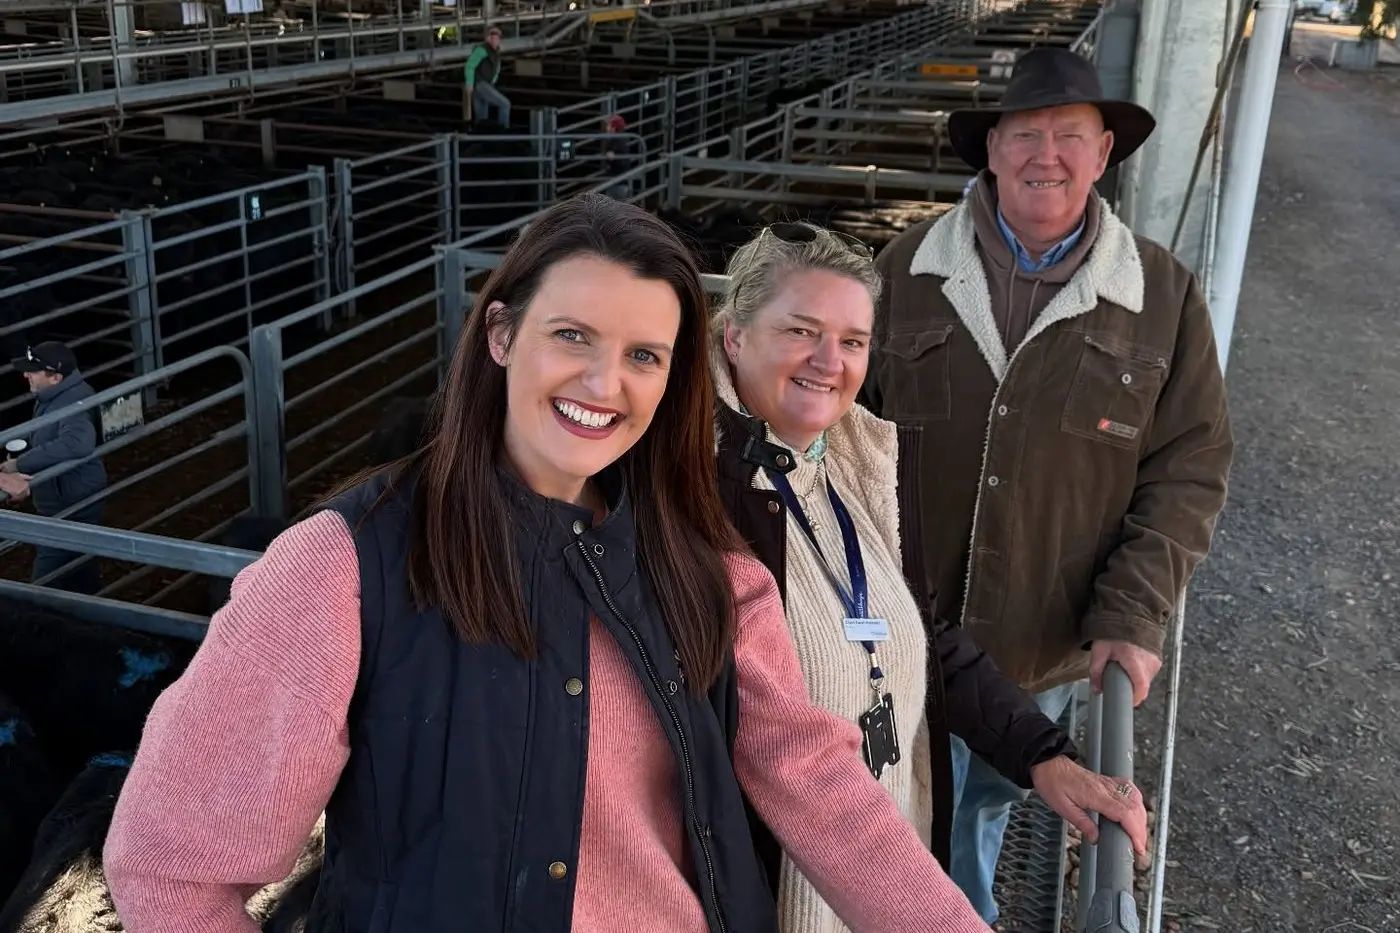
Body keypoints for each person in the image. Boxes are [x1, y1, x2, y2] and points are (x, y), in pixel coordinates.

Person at [103, 193, 999, 933]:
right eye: (573, 335)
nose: (605, 384)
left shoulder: (706, 566)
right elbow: (169, 867)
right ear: (501, 334)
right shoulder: (342, 567)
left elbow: (817, 780)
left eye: (643, 355)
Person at [860, 48, 1235, 924]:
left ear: (1103, 154)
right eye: (1025, 133)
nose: (1046, 155)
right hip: (899, 625)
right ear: (992, 149)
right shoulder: (903, 270)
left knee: (982, 802)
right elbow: (841, 427)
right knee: (878, 797)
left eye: (1071, 135)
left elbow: (1189, 465)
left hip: (1037, 639)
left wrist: (1133, 613)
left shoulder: (1161, 295)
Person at [710, 221, 1148, 932]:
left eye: (853, 341)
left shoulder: (856, 458)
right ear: (734, 336)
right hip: (776, 884)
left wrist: (1042, 753)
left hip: (879, 861)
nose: (829, 361)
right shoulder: (694, 488)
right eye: (801, 331)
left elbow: (917, 631)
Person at [3, 341, 109, 594]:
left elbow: (77, 443)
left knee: (44, 582)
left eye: (33, 371)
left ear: (55, 377)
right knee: (80, 565)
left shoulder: (71, 402)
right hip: (71, 494)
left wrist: (20, 463)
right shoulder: (55, 395)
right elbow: (52, 434)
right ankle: (95, 606)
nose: (25, 375)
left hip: (69, 502)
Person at [464, 26, 510, 129]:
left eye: (497, 38)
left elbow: (496, 69)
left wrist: (492, 81)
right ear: (488, 38)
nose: (495, 40)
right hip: (481, 84)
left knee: (481, 117)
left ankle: (480, 134)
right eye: (492, 37)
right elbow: (470, 66)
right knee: (505, 104)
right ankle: (504, 130)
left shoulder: (494, 52)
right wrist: (469, 83)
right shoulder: (482, 50)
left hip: (483, 85)